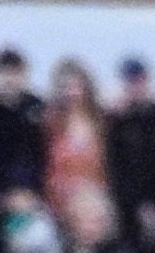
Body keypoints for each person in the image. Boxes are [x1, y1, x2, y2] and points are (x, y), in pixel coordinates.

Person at [103, 58, 155, 224]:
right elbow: (116, 166)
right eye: (131, 81)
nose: (136, 86)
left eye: (139, 80)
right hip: (129, 205)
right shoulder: (118, 122)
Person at [0, 50, 46, 202]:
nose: (10, 80)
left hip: (30, 195)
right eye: (4, 74)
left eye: (16, 74)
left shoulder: (37, 108)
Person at [44, 63, 111, 219]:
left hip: (95, 204)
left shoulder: (102, 123)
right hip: (60, 204)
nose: (71, 92)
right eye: (66, 87)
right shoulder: (51, 123)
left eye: (76, 87)